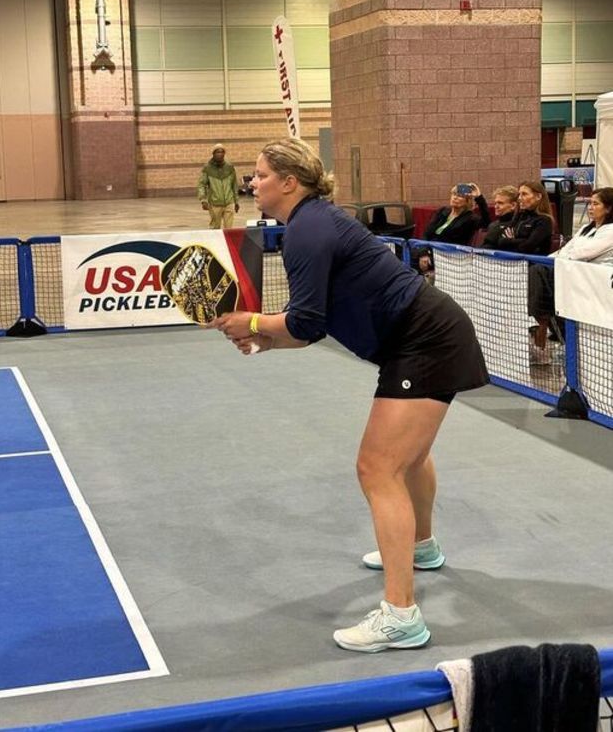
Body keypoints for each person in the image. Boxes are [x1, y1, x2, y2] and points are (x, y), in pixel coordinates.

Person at [208, 138, 489, 653]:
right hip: (423, 337)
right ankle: (421, 547)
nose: (254, 183)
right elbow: (308, 328)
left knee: (377, 468)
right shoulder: (312, 222)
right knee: (410, 458)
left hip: (424, 342)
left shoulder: (307, 231)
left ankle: (401, 616)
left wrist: (251, 321)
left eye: (261, 175)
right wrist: (263, 338)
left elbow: (305, 321)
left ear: (290, 182)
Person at [528, 187, 613, 364]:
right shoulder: (585, 229)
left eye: (595, 204)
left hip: (596, 280)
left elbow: (583, 252)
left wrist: (560, 258)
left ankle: (546, 329)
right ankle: (544, 322)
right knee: (538, 271)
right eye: (589, 203)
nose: (590, 207)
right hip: (571, 275)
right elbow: (567, 250)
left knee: (540, 273)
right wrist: (549, 260)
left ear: (609, 208)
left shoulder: (611, 230)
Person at [491, 181, 554, 256]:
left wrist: (511, 240)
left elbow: (527, 247)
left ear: (538, 196)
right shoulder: (520, 216)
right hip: (512, 260)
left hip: (533, 263)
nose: (519, 198)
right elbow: (501, 241)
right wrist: (521, 241)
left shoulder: (544, 220)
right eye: (519, 194)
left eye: (524, 194)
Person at [197, 143, 240, 229]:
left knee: (229, 229)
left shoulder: (229, 167)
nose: (220, 154)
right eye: (217, 152)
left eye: (222, 152)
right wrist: (203, 200)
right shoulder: (207, 168)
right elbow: (201, 184)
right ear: (213, 154)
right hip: (215, 203)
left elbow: (234, 185)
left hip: (229, 202)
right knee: (215, 228)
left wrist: (236, 201)